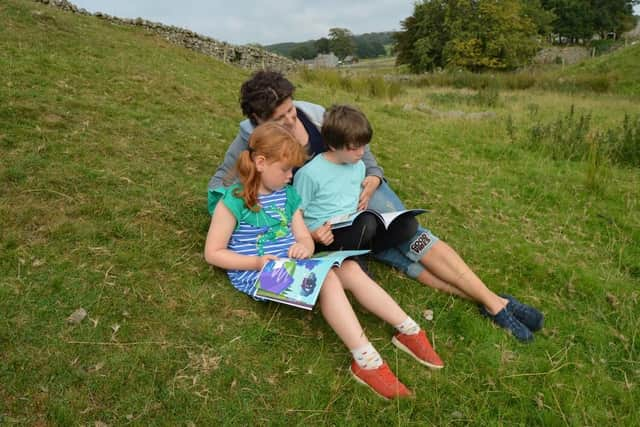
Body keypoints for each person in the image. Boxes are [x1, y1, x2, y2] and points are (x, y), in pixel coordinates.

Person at [207, 71, 544, 343]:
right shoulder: (249, 143)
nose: (292, 121)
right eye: (281, 119)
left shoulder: (315, 115)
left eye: (291, 110)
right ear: (257, 120)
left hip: (360, 195)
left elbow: (362, 151)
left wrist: (374, 178)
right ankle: (491, 302)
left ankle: (492, 302)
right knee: (395, 256)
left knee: (412, 235)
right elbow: (223, 189)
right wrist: (262, 216)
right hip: (326, 224)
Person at [204, 122, 444, 400]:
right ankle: (366, 360)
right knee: (328, 278)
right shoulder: (232, 201)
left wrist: (304, 246)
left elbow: (303, 237)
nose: (289, 176)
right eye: (285, 169)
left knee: (350, 267)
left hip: (289, 264)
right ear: (260, 162)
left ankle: (408, 330)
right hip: (258, 273)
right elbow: (214, 253)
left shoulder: (287, 195)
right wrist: (257, 263)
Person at [294, 104, 544, 343]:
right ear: (333, 144)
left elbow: (356, 185)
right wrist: (313, 235)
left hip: (361, 230)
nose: (362, 153)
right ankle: (495, 303)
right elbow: (295, 213)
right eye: (354, 148)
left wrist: (373, 186)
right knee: (373, 227)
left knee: (408, 227)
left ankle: (494, 301)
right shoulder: (310, 174)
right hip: (336, 237)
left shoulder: (358, 166)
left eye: (364, 147)